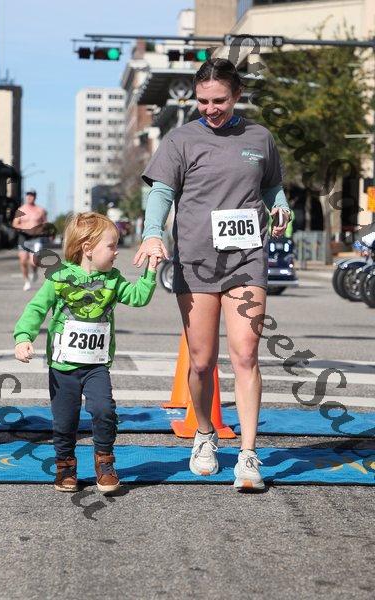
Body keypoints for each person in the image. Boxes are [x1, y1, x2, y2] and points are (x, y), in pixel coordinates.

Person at [134, 58, 290, 491]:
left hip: (246, 260)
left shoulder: (259, 138)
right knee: (201, 362)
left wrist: (281, 207)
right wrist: (151, 233)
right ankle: (204, 434)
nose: (210, 108)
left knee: (246, 354)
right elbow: (162, 191)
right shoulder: (181, 139)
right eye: (203, 101)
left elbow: (272, 186)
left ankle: (249, 453)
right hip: (196, 261)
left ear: (237, 95)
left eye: (219, 100)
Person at [14, 212, 158, 493]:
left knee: (104, 410)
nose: (116, 252)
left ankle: (104, 462)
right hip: (63, 366)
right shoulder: (60, 277)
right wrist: (23, 337)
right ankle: (65, 466)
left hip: (96, 365)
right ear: (88, 248)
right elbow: (36, 308)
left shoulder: (113, 280)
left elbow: (138, 297)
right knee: (65, 420)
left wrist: (151, 271)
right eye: (111, 246)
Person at [12, 189, 47, 291]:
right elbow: (15, 224)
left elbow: (45, 223)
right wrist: (24, 227)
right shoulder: (21, 209)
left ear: (35, 197)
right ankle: (26, 281)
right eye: (28, 195)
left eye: (31, 195)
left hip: (36, 238)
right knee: (23, 260)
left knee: (34, 262)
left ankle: (34, 272)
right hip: (23, 238)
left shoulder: (40, 210)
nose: (29, 197)